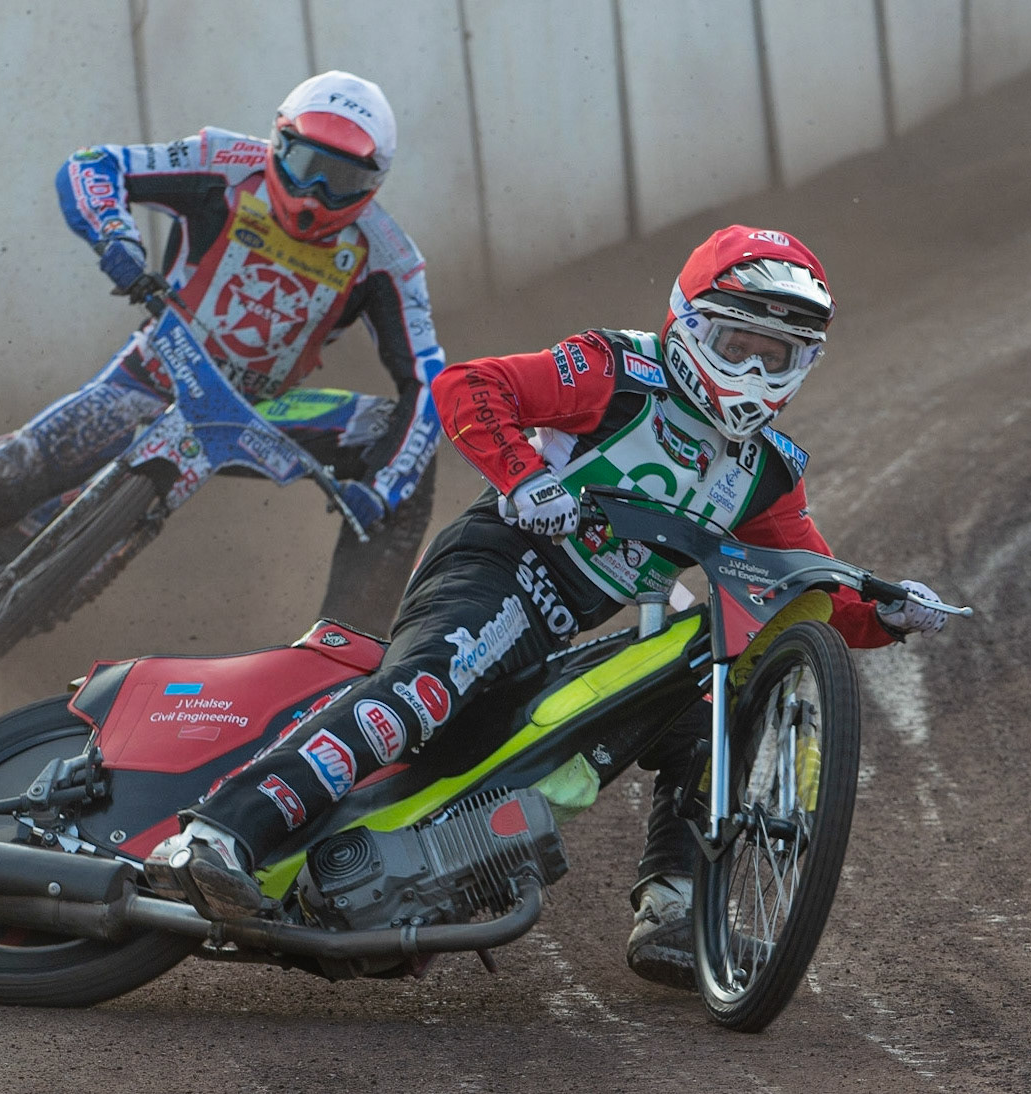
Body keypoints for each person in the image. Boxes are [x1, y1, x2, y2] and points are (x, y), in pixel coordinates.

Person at [143, 225, 949, 987]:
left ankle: (672, 909)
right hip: (496, 566)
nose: (753, 369)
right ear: (690, 326)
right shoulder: (615, 369)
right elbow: (469, 386)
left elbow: (806, 581)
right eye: (737, 344)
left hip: (562, 627)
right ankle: (218, 833)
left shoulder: (769, 472)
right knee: (422, 691)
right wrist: (524, 477)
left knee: (705, 697)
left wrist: (884, 614)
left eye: (776, 355)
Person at [0, 71, 445, 636]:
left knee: (407, 460)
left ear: (373, 186)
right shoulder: (221, 163)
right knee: (6, 476)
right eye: (303, 165)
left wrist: (380, 489)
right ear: (276, 141)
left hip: (259, 416)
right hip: (154, 376)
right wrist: (115, 237)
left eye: (341, 181)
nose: (314, 194)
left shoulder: (389, 259)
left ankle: (345, 658)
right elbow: (93, 165)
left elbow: (426, 380)